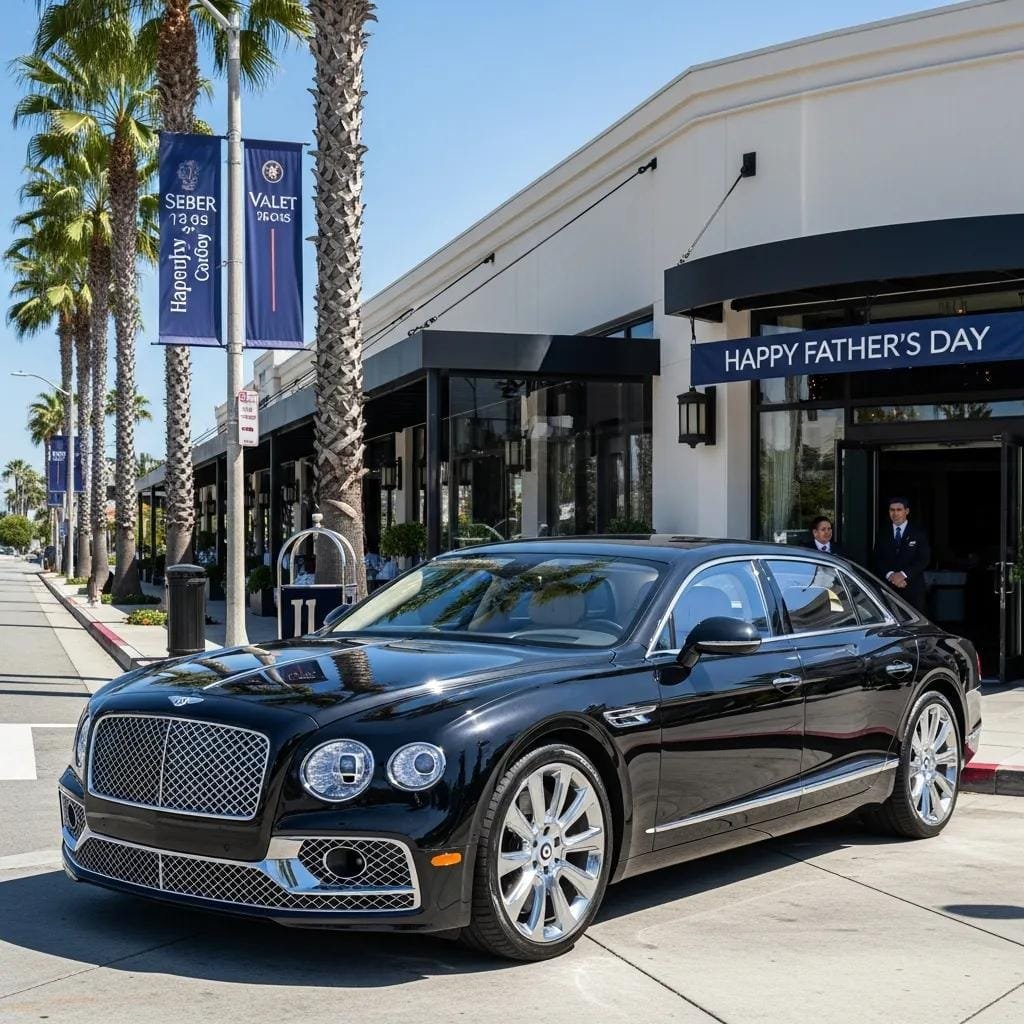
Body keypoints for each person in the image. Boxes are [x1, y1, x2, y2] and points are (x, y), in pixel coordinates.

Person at [873, 496, 930, 611]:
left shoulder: (918, 532)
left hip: (913, 588)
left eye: (899, 510)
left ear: (907, 511)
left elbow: (924, 559)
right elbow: (877, 558)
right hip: (888, 588)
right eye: (892, 510)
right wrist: (891, 575)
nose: (895, 513)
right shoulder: (882, 532)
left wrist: (903, 575)